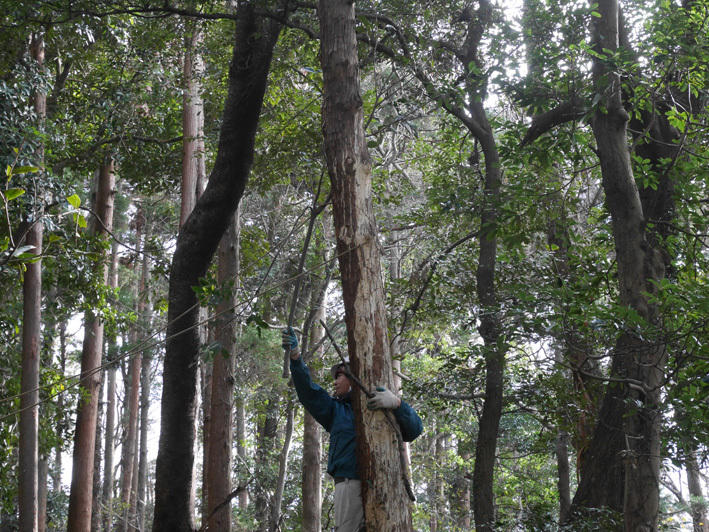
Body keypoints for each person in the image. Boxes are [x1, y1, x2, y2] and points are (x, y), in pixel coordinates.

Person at [281, 327, 423, 532]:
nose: (336, 381)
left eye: (340, 375)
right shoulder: (335, 411)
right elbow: (309, 392)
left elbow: (414, 430)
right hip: (348, 484)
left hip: (387, 484)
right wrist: (295, 356)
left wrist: (397, 404)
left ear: (354, 376)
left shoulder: (385, 405)